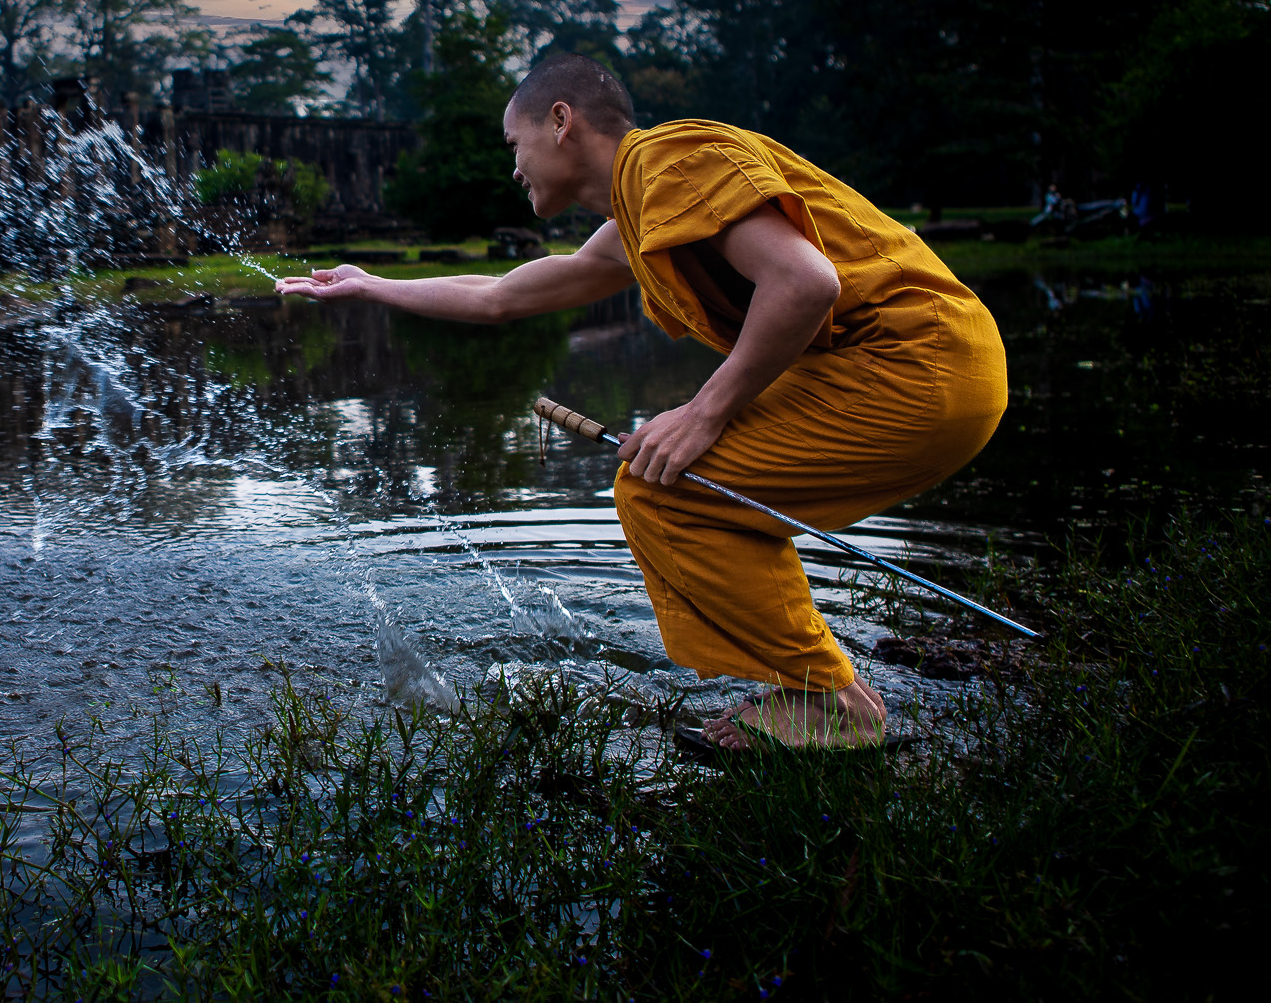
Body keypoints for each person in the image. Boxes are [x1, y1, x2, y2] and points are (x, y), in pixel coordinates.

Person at [276, 53, 1007, 749]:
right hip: (928, 368)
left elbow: (805, 283)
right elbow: (500, 296)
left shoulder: (673, 161)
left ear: (561, 120)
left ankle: (830, 701)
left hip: (915, 363)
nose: (513, 164)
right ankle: (814, 689)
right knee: (679, 487)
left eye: (514, 141)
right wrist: (369, 284)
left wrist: (703, 412)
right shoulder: (643, 210)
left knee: (665, 489)